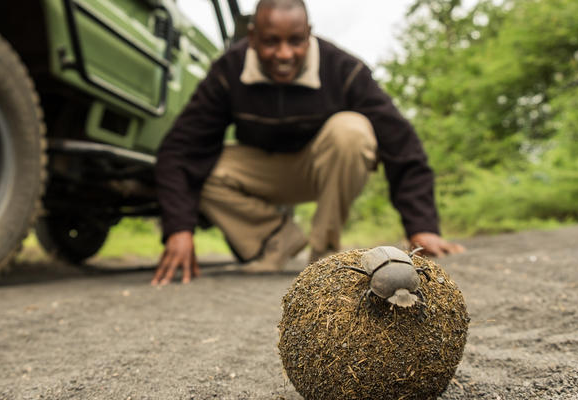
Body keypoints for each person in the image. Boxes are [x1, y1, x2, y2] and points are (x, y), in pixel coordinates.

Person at [151, 0, 464, 285]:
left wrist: (421, 226)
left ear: (309, 34)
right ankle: (275, 239)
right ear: (253, 35)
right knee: (200, 166)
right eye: (272, 41)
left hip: (324, 166)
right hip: (262, 171)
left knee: (351, 131)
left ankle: (325, 256)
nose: (285, 54)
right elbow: (178, 151)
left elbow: (403, 147)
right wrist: (179, 228)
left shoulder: (343, 69)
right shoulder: (228, 71)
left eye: (295, 41)